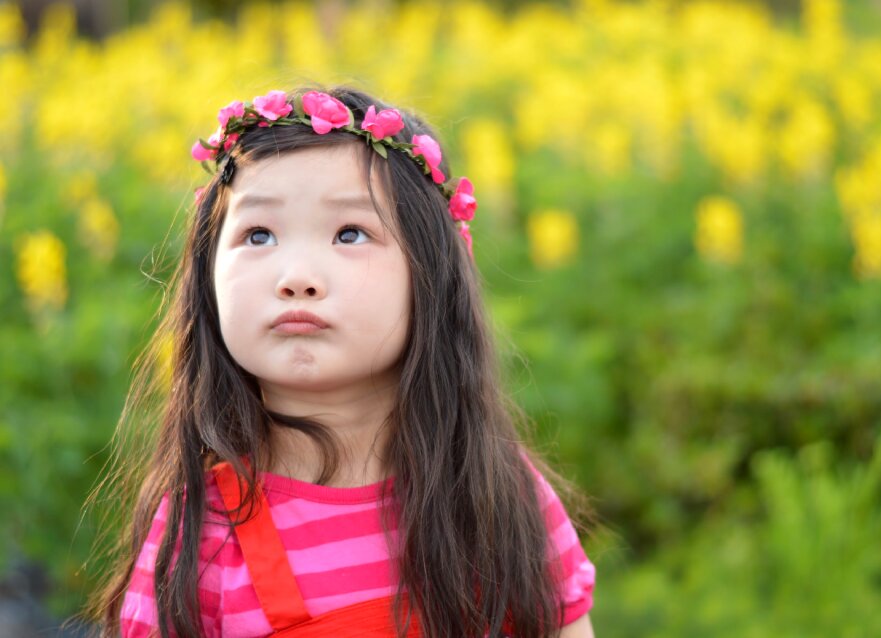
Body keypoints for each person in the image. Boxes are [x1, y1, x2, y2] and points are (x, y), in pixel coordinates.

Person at [88, 84, 596, 637]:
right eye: (258, 235)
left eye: (349, 233)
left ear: (431, 277)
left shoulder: (497, 497)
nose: (297, 277)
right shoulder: (200, 536)